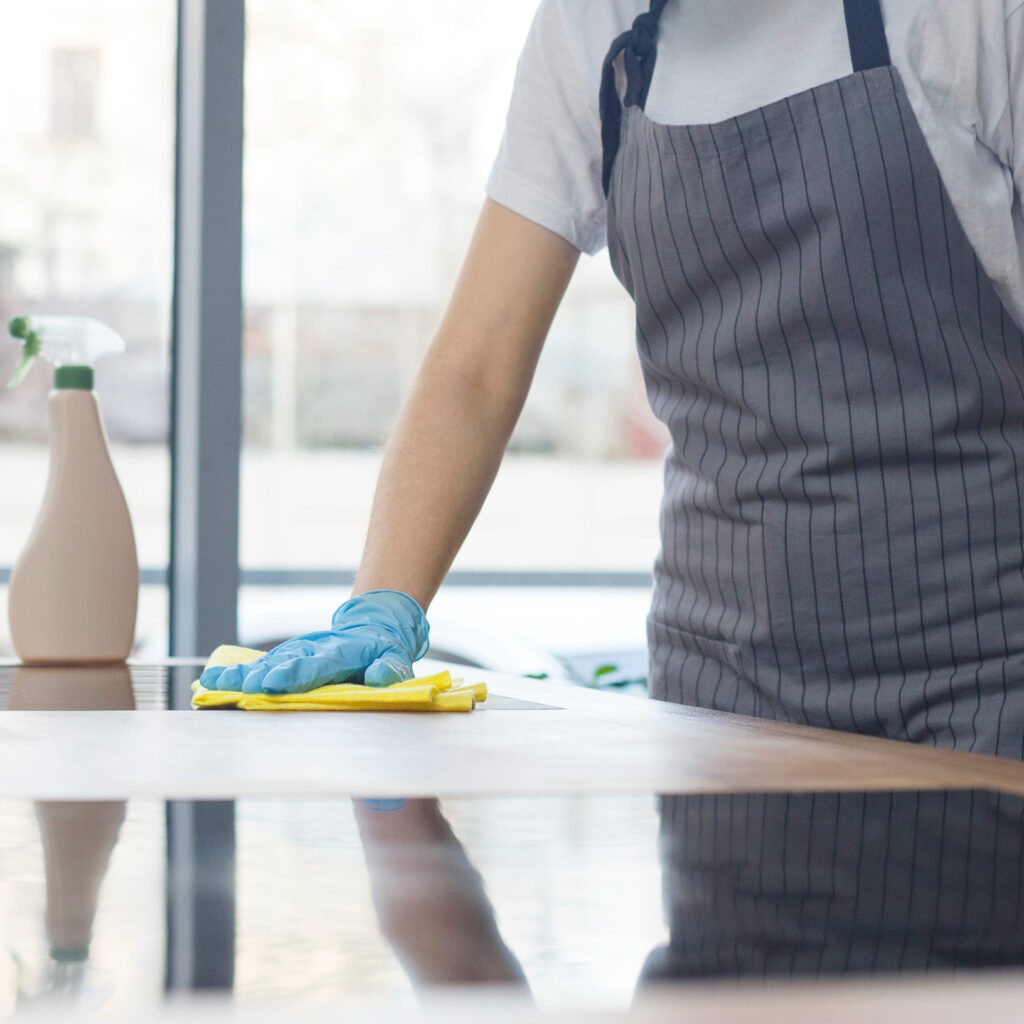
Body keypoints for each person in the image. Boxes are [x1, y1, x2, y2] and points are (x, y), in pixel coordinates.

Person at [201, 0, 1024, 761]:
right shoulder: (594, 26)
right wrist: (383, 601)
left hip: (982, 676)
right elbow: (477, 363)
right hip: (721, 690)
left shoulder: (969, 15)